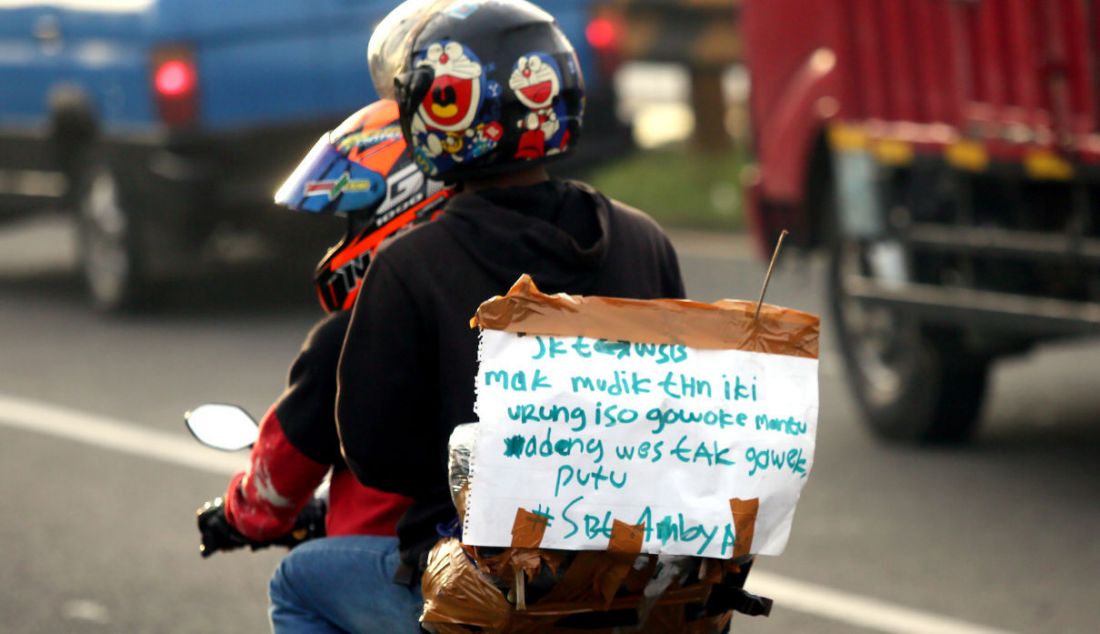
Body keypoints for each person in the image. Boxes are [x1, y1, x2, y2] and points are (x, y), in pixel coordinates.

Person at [333, 0, 686, 626]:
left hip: (475, 578)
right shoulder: (644, 240)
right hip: (632, 568)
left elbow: (372, 448)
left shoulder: (411, 264)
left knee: (298, 581)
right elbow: (684, 402)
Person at [193, 99, 451, 633]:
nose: (344, 237)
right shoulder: (499, 304)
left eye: (354, 218)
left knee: (296, 585)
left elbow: (276, 479)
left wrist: (235, 516)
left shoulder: (352, 337)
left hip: (428, 569)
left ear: (401, 202)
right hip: (544, 564)